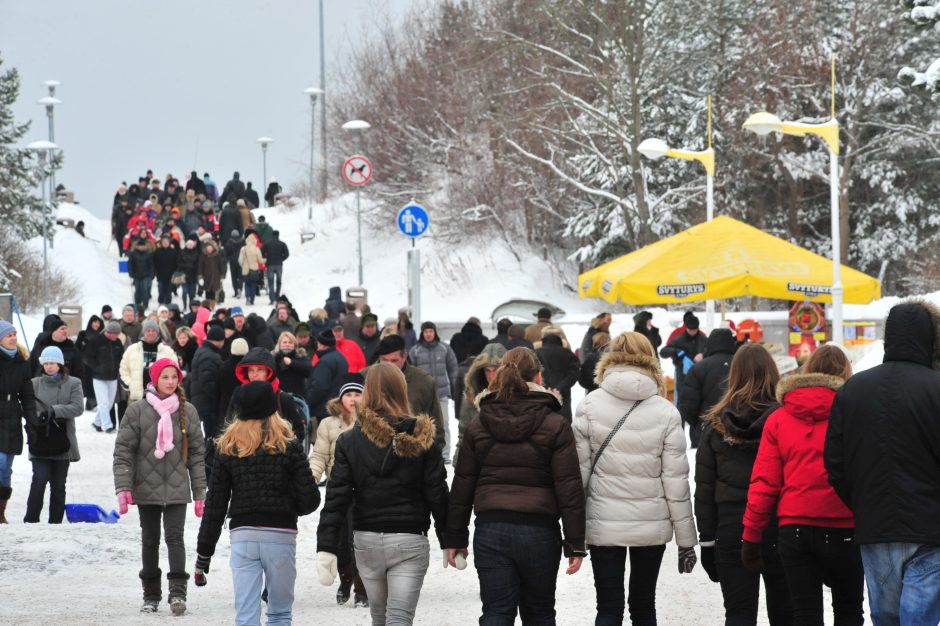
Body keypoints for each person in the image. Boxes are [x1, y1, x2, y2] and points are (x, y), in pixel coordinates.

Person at [444, 347, 587, 624]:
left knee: (496, 612)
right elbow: (568, 487)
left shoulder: (479, 423)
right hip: (540, 531)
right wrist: (575, 543)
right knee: (540, 613)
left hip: (491, 528)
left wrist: (456, 537)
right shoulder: (555, 424)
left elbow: (463, 484)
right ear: (538, 376)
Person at [825, 300, 940, 625]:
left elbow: (835, 463)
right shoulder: (936, 388)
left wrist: (861, 501)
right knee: (920, 618)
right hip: (930, 528)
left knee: (885, 617)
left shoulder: (853, 390)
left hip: (875, 524)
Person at [573, 332, 698, 625]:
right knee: (644, 606)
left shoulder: (590, 405)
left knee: (608, 607)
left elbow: (578, 473)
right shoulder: (666, 412)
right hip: (650, 522)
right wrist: (686, 541)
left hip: (604, 521)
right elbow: (676, 482)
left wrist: (573, 530)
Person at [316, 363, 448, 626]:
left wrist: (326, 546)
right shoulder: (421, 436)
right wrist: (451, 538)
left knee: (380, 617)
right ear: (402, 389)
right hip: (409, 537)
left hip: (367, 541)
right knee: (398, 619)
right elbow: (437, 492)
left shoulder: (349, 441)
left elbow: (337, 497)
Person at [744, 344, 862, 625]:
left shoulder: (779, 418)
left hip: (794, 529)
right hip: (844, 526)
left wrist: (751, 535)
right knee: (849, 611)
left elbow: (764, 482)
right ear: (845, 373)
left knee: (805, 614)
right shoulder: (855, 414)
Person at [194, 380, 319, 625]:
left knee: (247, 616)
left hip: (243, 534)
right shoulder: (289, 446)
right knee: (280, 613)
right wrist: (290, 503)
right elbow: (311, 500)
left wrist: (203, 556)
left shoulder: (227, 447)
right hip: (280, 534)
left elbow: (215, 506)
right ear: (273, 408)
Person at [695, 344, 791, 626]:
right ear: (773, 373)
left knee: (738, 615)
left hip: (731, 527)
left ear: (733, 376)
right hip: (779, 526)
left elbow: (705, 489)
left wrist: (707, 541)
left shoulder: (715, 425)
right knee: (786, 615)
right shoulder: (786, 420)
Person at [113, 358, 206, 615]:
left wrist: (200, 491)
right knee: (150, 539)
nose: (170, 382)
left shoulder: (188, 411)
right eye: (164, 377)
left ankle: (178, 593)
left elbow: (198, 454)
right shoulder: (137, 411)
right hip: (147, 486)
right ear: (154, 379)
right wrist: (124, 487)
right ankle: (151, 594)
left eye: (173, 377)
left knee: (175, 538)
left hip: (176, 486)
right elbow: (123, 452)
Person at [308, 373, 368, 608]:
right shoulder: (328, 423)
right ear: (341, 398)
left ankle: (362, 588)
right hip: (338, 486)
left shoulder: (371, 421)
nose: (353, 399)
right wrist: (312, 477)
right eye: (348, 395)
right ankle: (345, 580)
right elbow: (320, 454)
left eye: (357, 394)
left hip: (365, 489)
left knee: (361, 539)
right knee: (341, 539)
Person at [24, 346, 83, 523]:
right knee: (39, 480)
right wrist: (36, 416)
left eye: (53, 363)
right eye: (46, 363)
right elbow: (26, 407)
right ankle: (31, 520)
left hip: (62, 441)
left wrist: (54, 411)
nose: (49, 366)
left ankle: (55, 522)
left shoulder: (73, 383)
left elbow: (78, 407)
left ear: (60, 364)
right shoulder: (33, 383)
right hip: (39, 440)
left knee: (58, 486)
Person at [373, 335, 446, 451]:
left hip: (412, 455)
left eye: (394, 360)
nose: (389, 365)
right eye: (384, 360)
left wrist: (434, 457)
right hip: (373, 454)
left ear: (404, 357)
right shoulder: (366, 378)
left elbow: (436, 425)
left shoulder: (423, 382)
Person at [0, 322, 37, 523]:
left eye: (14, 334)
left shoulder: (22, 362)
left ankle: (1, 509)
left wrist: (31, 423)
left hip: (12, 417)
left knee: (6, 467)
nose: (13, 338)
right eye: (8, 335)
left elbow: (27, 396)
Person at [408, 321, 459, 462]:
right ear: (422, 333)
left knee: (444, 423)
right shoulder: (415, 350)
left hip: (441, 393)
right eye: (426, 331)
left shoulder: (444, 348)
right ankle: (421, 450)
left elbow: (453, 368)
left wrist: (454, 387)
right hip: (422, 395)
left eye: (431, 331)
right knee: (421, 424)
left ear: (435, 332)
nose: (428, 334)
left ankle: (445, 453)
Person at [679, 327, 737, 449]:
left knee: (707, 466)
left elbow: (687, 405)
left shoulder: (698, 368)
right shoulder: (742, 366)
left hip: (707, 430)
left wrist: (699, 425)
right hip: (738, 430)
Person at [455, 343, 506, 460]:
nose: (491, 376)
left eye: (495, 370)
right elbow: (464, 434)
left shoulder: (517, 395)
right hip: (480, 460)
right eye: (487, 371)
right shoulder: (472, 396)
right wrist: (458, 461)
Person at [189, 325, 225, 477]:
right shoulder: (210, 355)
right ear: (220, 340)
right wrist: (218, 397)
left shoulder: (203, 351)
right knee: (210, 439)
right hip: (207, 404)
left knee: (208, 438)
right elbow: (207, 381)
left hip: (201, 402)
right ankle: (207, 472)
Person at [119, 320, 178, 406]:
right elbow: (123, 369)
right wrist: (130, 384)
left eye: (153, 330)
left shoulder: (167, 351)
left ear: (157, 332)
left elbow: (176, 371)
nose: (151, 333)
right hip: (137, 398)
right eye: (148, 330)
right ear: (144, 332)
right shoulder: (132, 349)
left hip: (160, 398)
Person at [535, 325, 580, 422]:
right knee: (563, 425)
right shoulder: (567, 353)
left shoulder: (536, 353)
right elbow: (574, 373)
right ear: (560, 337)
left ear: (543, 337)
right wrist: (560, 387)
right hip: (563, 395)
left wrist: (545, 387)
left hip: (541, 395)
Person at [660, 313, 707, 406]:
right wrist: (678, 351)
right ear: (686, 327)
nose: (693, 332)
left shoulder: (703, 338)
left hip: (700, 374)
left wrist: (703, 354)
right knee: (682, 400)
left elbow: (711, 348)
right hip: (683, 375)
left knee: (699, 399)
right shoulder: (679, 339)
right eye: (690, 330)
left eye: (695, 330)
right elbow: (663, 352)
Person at [87, 320, 125, 433]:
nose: (117, 336)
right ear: (109, 332)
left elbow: (121, 358)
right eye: (116, 334)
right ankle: (107, 426)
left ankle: (97, 422)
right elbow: (87, 357)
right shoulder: (96, 341)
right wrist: (96, 367)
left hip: (113, 377)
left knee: (109, 403)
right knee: (103, 402)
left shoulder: (118, 342)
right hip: (99, 378)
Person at [307, 330, 349, 422]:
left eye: (318, 343)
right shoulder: (341, 358)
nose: (317, 346)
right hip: (338, 407)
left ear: (323, 345)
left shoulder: (324, 362)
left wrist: (308, 403)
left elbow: (319, 387)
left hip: (324, 410)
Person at [76, 314, 103, 410]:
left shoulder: (101, 335)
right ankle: (87, 403)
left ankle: (92, 404)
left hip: (96, 363)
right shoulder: (83, 334)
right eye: (94, 322)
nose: (96, 324)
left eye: (98, 323)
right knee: (85, 384)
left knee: (95, 384)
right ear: (90, 323)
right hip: (84, 364)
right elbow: (77, 347)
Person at [274, 331, 311, 398]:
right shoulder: (274, 358)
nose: (287, 344)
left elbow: (309, 371)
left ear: (295, 345)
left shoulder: (300, 356)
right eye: (285, 342)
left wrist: (291, 363)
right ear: (279, 344)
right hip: (279, 396)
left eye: (290, 342)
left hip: (298, 396)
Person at [128, 237, 155, 312]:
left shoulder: (148, 254)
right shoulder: (133, 254)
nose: (142, 247)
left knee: (145, 290)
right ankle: (137, 305)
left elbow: (151, 265)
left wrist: (151, 274)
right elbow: (130, 264)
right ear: (138, 246)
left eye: (143, 246)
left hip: (146, 275)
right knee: (138, 290)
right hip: (136, 275)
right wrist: (131, 272)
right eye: (140, 246)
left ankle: (145, 305)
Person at [261, 230, 289, 304]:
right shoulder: (282, 244)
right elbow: (287, 254)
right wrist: (281, 259)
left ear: (272, 235)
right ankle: (277, 297)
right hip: (279, 265)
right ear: (278, 235)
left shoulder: (267, 243)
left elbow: (262, 252)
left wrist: (266, 259)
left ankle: (272, 299)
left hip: (270, 264)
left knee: (271, 282)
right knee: (279, 281)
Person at [238, 232, 264, 305]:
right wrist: (266, 260)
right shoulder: (256, 249)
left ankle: (247, 298)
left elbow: (240, 260)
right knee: (253, 284)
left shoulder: (243, 249)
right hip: (254, 270)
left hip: (245, 270)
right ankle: (252, 299)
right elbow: (260, 260)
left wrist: (243, 266)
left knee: (247, 284)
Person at [153, 235, 180, 306]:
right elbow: (154, 263)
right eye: (164, 242)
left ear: (169, 243)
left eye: (167, 242)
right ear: (161, 243)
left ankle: (168, 305)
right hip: (160, 275)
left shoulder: (173, 252)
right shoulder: (157, 251)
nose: (165, 243)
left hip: (170, 276)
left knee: (168, 292)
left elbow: (177, 263)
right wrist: (155, 272)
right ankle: (161, 304)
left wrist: (176, 272)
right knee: (161, 291)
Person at [197, 240, 226, 304]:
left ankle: (212, 306)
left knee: (214, 292)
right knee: (207, 292)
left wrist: (222, 276)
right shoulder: (203, 256)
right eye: (207, 248)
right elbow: (200, 267)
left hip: (216, 277)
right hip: (206, 277)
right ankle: (207, 305)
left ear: (213, 248)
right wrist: (200, 277)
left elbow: (221, 266)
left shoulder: (217, 255)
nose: (209, 249)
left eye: (210, 248)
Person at [177, 234, 201, 309]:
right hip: (184, 276)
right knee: (184, 292)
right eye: (188, 245)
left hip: (193, 276)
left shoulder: (197, 254)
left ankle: (191, 306)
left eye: (191, 245)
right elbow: (179, 264)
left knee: (192, 293)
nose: (190, 246)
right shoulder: (182, 253)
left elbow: (198, 265)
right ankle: (184, 306)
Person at [223, 229, 245, 299]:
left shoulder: (228, 243)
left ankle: (235, 291)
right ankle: (239, 288)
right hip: (241, 261)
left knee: (234, 277)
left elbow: (226, 253)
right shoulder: (243, 242)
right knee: (240, 277)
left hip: (232, 262)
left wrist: (226, 261)